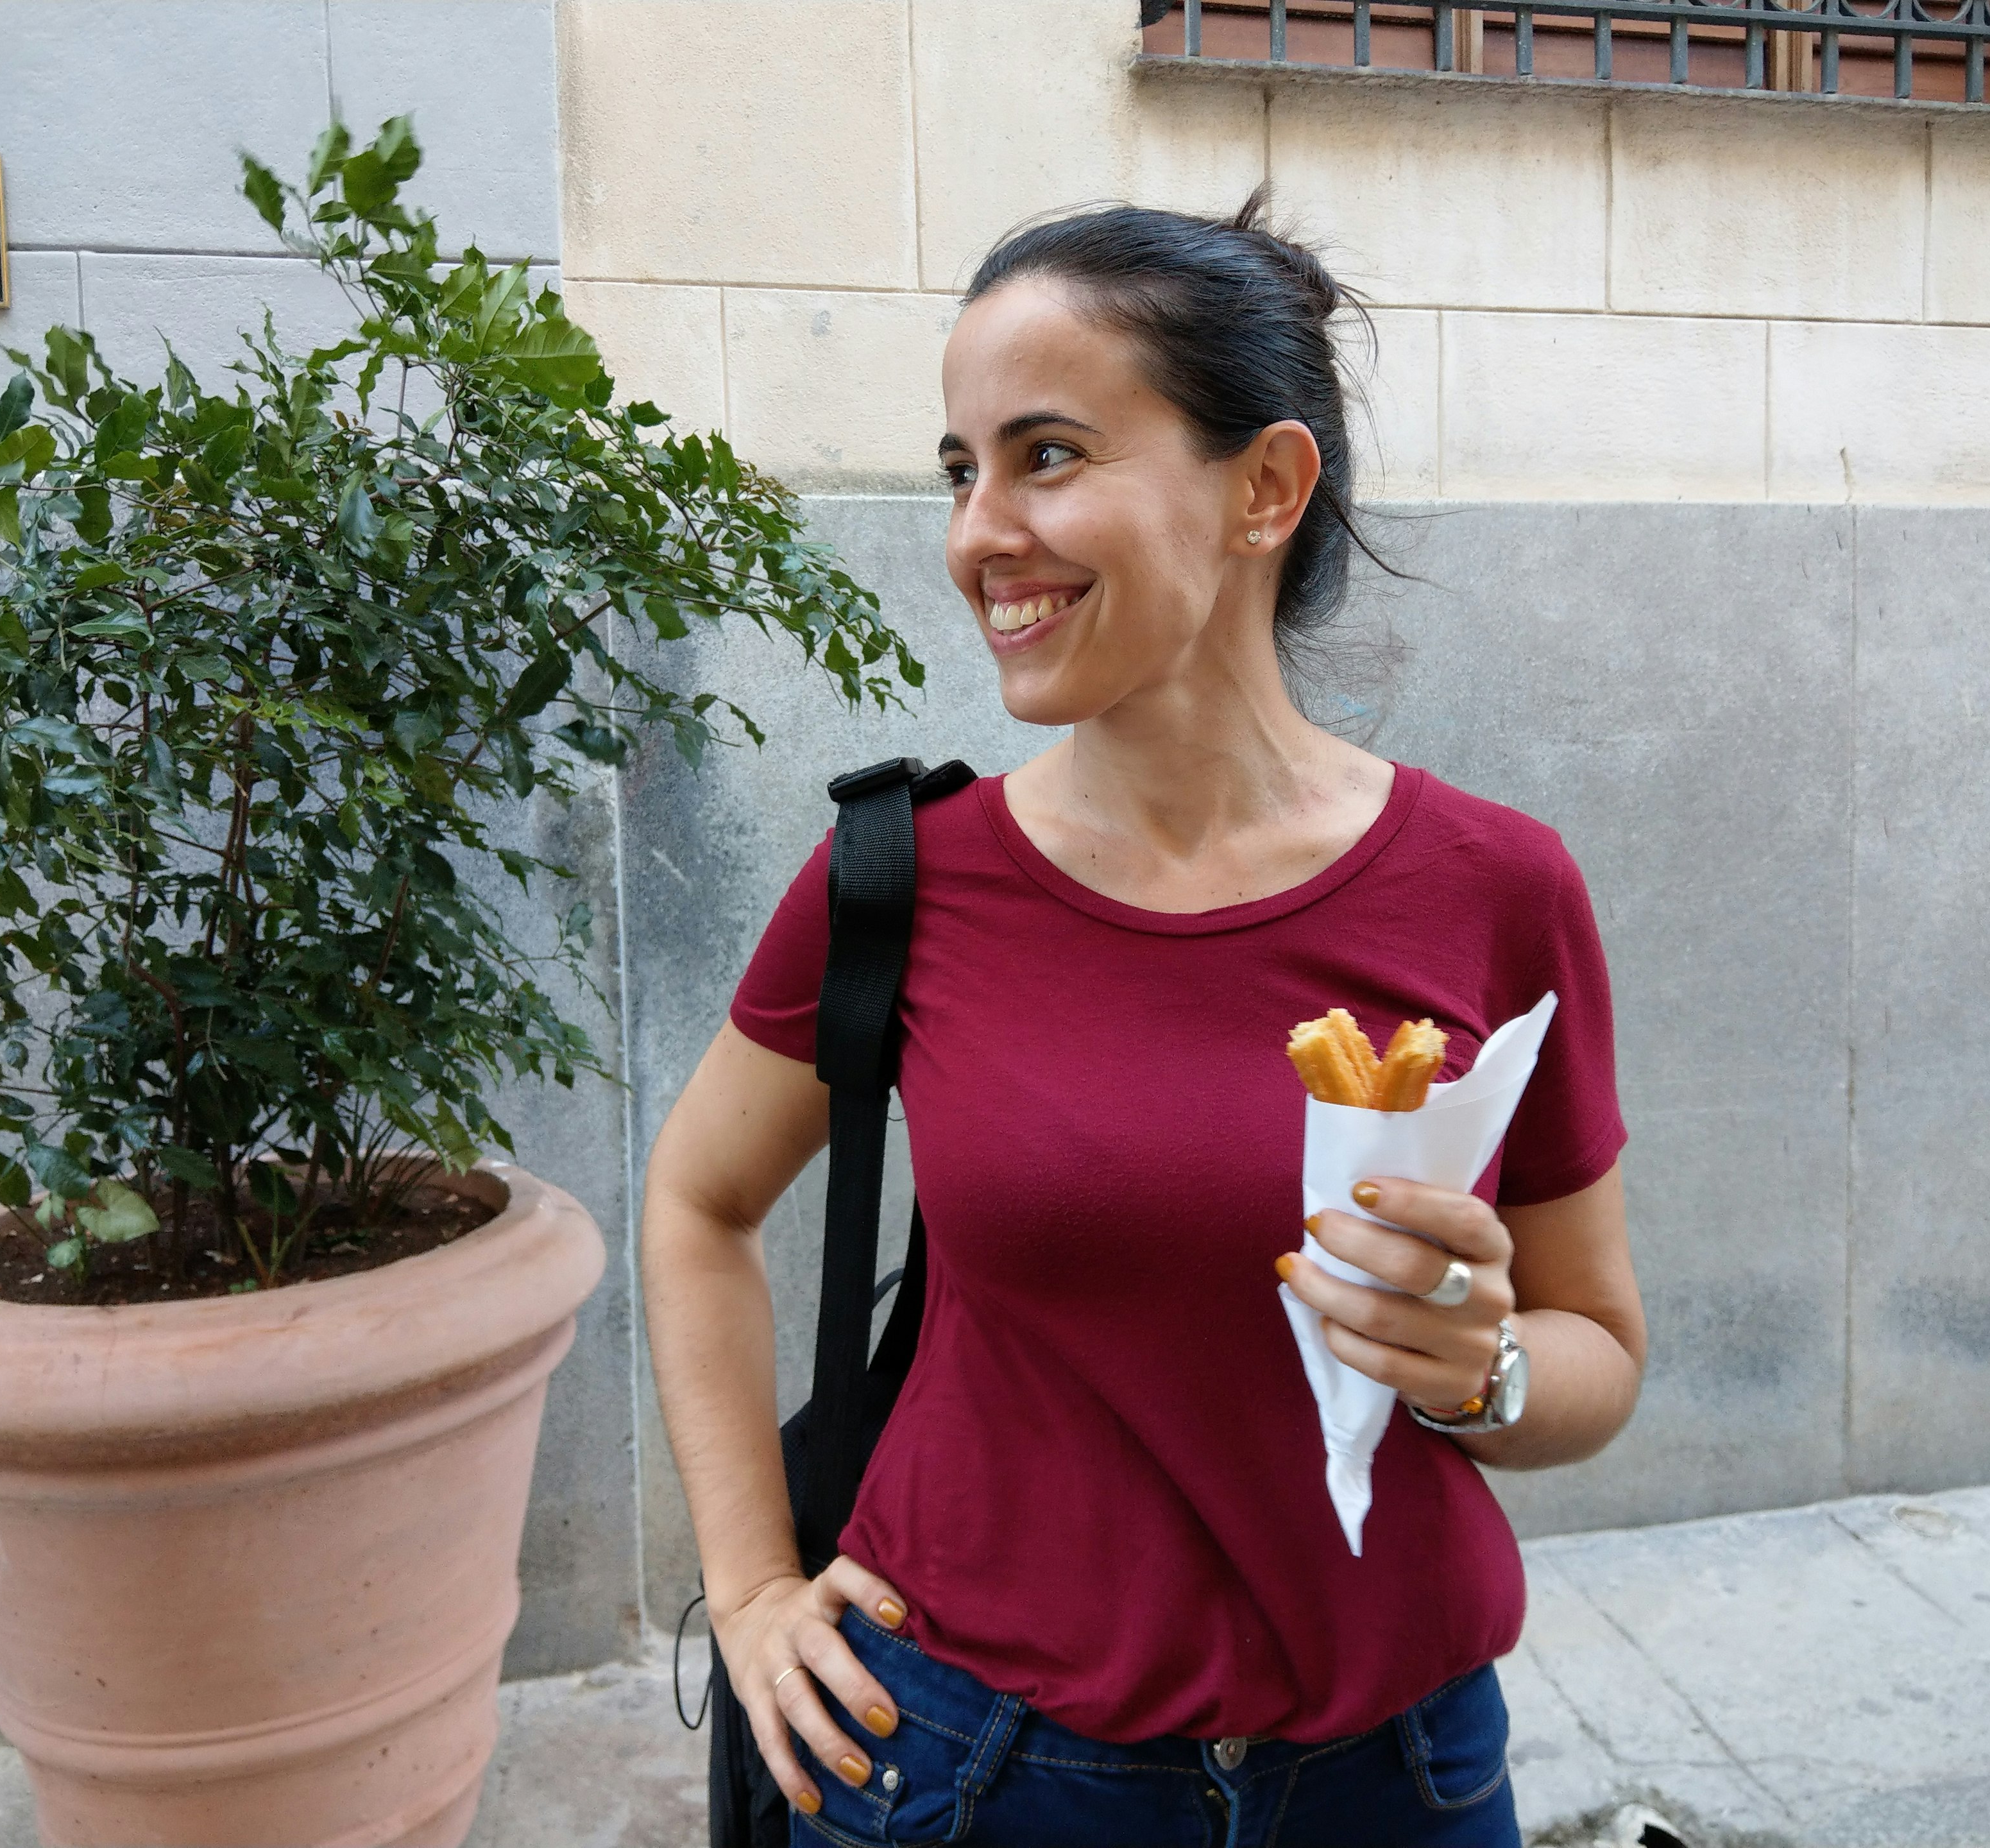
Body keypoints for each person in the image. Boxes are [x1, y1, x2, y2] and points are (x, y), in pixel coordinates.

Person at [640, 192, 1649, 1848]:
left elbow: (1598, 1354)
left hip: (1398, 1778)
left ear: (1264, 487)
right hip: (967, 1766)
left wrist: (1483, 1372)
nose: (978, 531)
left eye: (1047, 455)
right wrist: (751, 1590)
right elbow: (698, 1203)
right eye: (962, 468)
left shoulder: (1495, 887)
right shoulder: (905, 878)